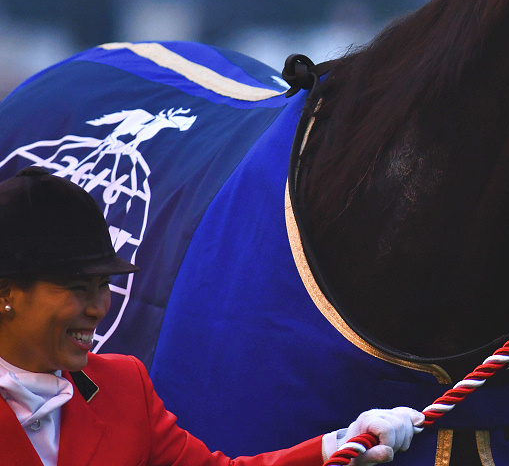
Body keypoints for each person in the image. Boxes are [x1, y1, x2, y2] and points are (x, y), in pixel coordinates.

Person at [0, 166, 423, 466]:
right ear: (7, 293)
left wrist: (338, 445)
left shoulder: (124, 386)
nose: (98, 308)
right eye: (78, 288)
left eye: (101, 287)